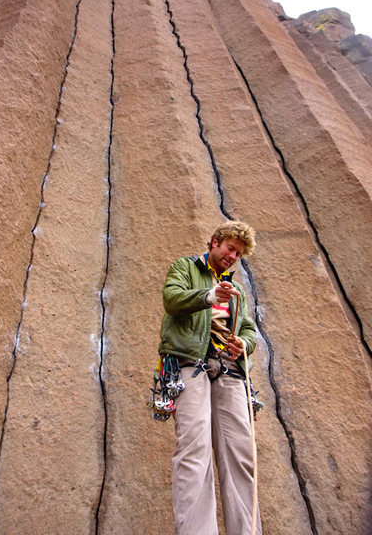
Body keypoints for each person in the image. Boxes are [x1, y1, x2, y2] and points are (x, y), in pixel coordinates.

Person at [158, 220, 262, 535]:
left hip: (230, 371)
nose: (233, 256)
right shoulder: (185, 268)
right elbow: (172, 300)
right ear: (215, 241)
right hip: (190, 366)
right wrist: (209, 295)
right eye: (231, 249)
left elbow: (247, 330)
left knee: (240, 454)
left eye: (239, 254)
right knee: (194, 450)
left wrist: (244, 343)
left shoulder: (238, 291)